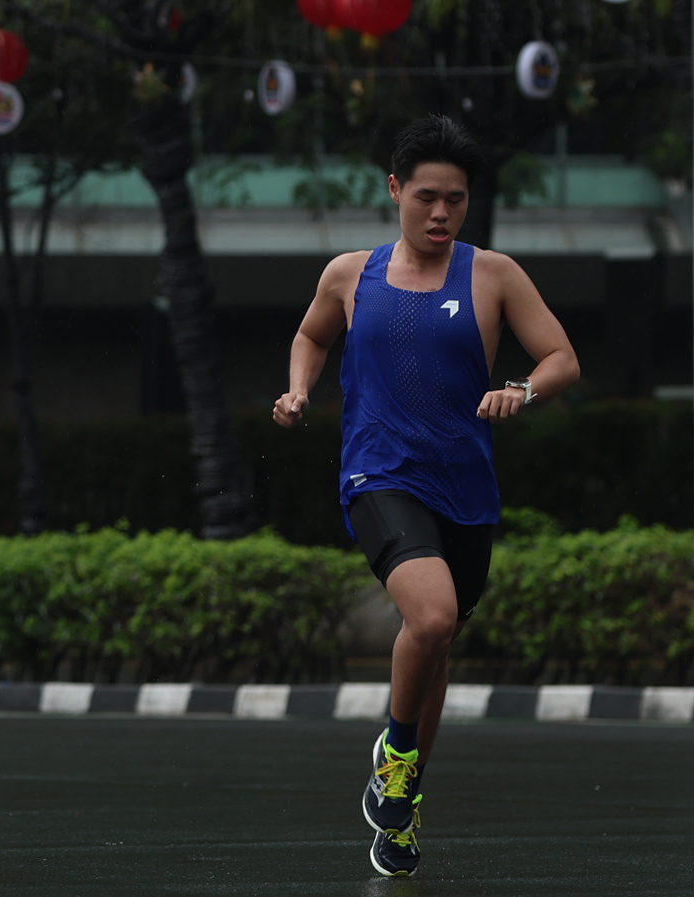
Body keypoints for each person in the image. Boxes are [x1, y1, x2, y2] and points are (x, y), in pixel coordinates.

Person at [272, 114, 580, 878]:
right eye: (426, 198)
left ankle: (403, 799)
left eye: (455, 200)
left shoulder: (493, 275)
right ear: (394, 190)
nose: (441, 213)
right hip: (378, 474)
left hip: (463, 488)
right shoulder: (350, 275)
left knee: (435, 645)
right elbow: (311, 335)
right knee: (433, 615)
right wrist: (298, 388)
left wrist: (520, 389)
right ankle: (397, 752)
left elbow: (561, 357)